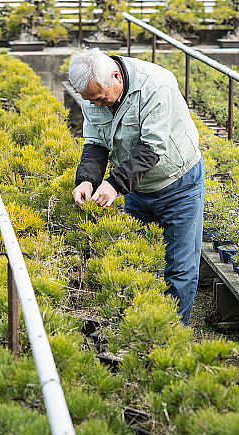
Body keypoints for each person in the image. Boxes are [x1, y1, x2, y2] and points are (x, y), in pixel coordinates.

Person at [69, 48, 204, 325]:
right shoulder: (93, 95)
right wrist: (86, 180)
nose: (96, 104)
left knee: (179, 269)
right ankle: (138, 331)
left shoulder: (156, 85)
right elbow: (95, 143)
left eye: (99, 98)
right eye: (90, 100)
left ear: (116, 77)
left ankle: (172, 337)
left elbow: (151, 148)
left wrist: (115, 184)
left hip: (178, 184)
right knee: (135, 261)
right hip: (137, 187)